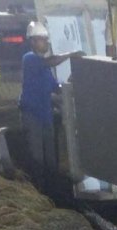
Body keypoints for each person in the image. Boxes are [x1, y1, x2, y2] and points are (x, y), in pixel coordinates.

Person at [18, 21, 84, 185]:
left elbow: (57, 89)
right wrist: (71, 54)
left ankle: (52, 189)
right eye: (42, 39)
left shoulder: (46, 69)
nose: (46, 42)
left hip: (45, 116)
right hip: (33, 115)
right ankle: (39, 188)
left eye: (46, 39)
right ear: (33, 41)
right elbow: (51, 61)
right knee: (37, 157)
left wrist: (73, 80)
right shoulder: (30, 59)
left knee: (50, 158)